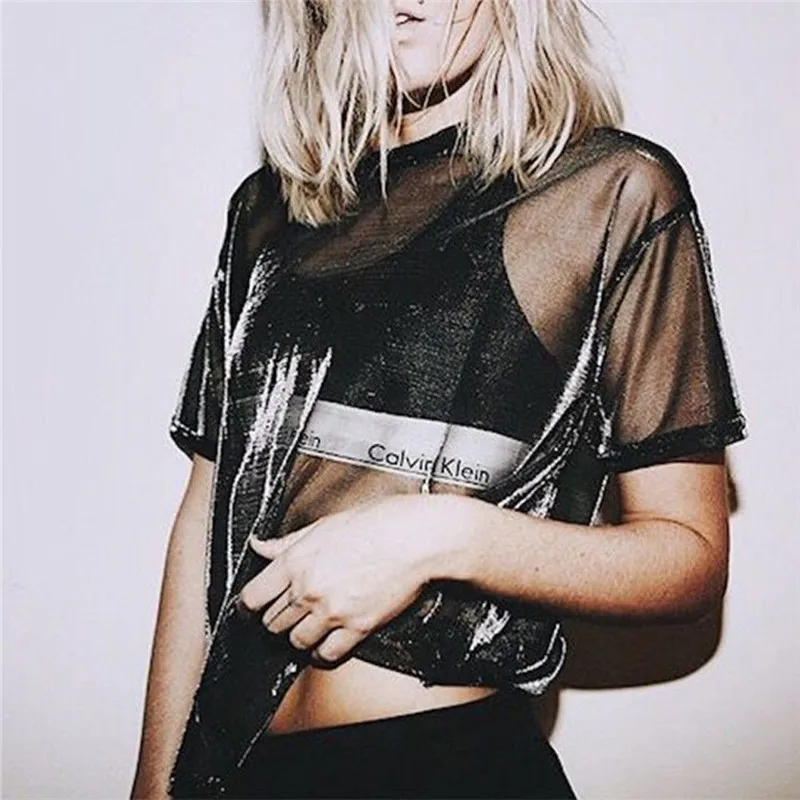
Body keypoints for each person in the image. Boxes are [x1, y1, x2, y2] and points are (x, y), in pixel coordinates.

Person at [131, 0, 748, 797]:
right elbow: (206, 514)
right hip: (238, 770)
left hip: (446, 766)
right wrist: (155, 786)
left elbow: (689, 558)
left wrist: (443, 536)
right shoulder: (268, 211)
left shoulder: (610, 193)